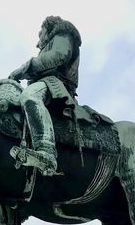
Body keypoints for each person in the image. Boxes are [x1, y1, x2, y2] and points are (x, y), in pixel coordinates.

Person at [8, 16, 82, 176]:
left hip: (55, 84)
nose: (37, 43)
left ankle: (46, 152)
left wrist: (24, 68)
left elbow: (58, 56)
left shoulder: (63, 31)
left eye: (40, 34)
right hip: (46, 83)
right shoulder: (53, 39)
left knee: (30, 97)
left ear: (49, 29)